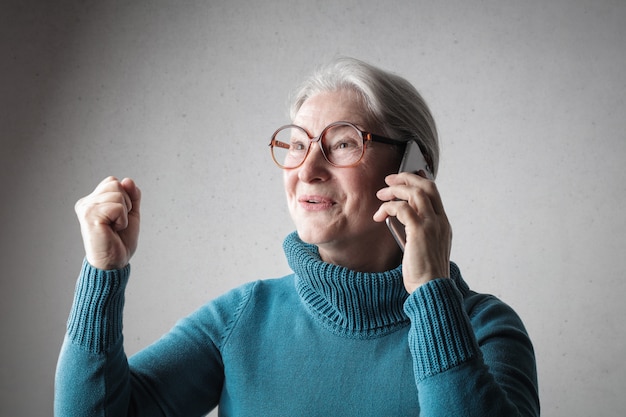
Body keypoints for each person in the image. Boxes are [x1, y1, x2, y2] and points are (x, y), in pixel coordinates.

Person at [55, 57, 540, 416]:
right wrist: (103, 274)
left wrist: (433, 292)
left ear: (413, 171)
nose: (307, 170)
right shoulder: (242, 318)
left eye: (343, 143)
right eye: (296, 145)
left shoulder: (484, 329)